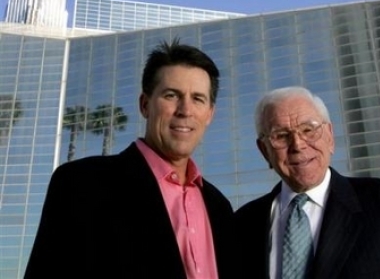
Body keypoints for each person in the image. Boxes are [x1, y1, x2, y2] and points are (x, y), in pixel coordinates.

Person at [24, 39, 236, 279]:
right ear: (145, 105)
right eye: (171, 95)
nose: (185, 110)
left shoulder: (219, 206)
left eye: (198, 99)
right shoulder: (81, 184)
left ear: (209, 114)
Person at [234, 86, 380, 279]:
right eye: (281, 136)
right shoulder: (240, 224)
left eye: (308, 130)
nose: (298, 144)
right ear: (264, 151)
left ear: (329, 136)